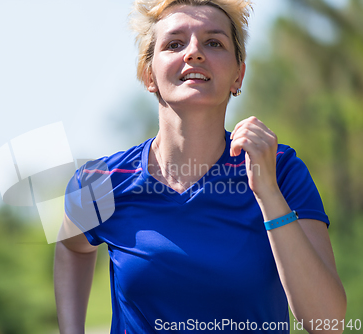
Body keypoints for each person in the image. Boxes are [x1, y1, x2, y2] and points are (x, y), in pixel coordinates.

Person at [54, 0, 347, 333]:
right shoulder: (100, 182)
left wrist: (267, 194)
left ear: (239, 75)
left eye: (214, 42)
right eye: (175, 43)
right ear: (149, 74)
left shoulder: (281, 169)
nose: (193, 52)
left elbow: (329, 323)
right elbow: (71, 247)